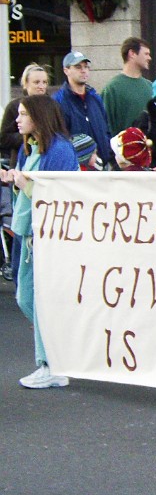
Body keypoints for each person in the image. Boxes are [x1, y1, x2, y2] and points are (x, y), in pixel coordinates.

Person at [0, 95, 78, 389]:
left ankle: (51, 363)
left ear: (38, 117)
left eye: (22, 114)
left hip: (46, 234)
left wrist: (25, 184)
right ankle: (60, 353)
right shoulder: (30, 148)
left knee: (38, 298)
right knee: (27, 297)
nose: (16, 120)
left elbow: (61, 195)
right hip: (28, 231)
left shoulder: (59, 149)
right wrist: (14, 180)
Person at [52, 50, 113, 167]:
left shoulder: (95, 98)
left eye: (86, 66)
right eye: (78, 67)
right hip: (76, 168)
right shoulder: (58, 101)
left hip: (102, 165)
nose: (83, 70)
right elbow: (58, 138)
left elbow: (106, 129)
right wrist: (84, 155)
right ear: (66, 70)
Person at [102, 37, 153, 135]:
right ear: (132, 54)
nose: (149, 58)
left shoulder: (150, 87)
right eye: (146, 54)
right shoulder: (112, 89)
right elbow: (105, 125)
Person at [1, 64, 50, 162]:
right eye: (36, 82)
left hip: (48, 157)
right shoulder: (14, 106)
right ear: (26, 84)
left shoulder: (53, 106)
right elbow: (4, 138)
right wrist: (29, 136)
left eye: (44, 82)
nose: (41, 86)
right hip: (21, 159)